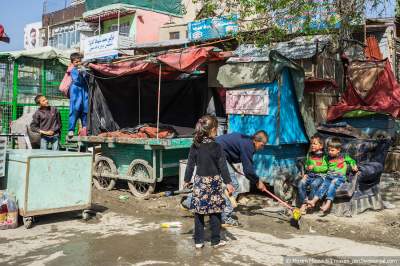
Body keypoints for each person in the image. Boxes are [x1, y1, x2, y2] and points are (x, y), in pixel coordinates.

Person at [182, 130, 268, 227]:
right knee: (232, 185)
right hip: (216, 154)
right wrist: (257, 181)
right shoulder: (248, 145)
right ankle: (224, 217)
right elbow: (248, 170)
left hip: (212, 152)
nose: (262, 148)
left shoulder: (246, 140)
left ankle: (188, 202)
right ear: (256, 141)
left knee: (212, 183)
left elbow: (230, 153)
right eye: (262, 145)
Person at [184, 115, 235, 249]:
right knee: (215, 212)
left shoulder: (195, 146)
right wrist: (228, 182)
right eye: (216, 128)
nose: (217, 131)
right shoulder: (217, 147)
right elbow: (223, 166)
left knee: (199, 213)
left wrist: (186, 180)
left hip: (200, 183)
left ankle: (199, 241)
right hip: (214, 183)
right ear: (212, 129)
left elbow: (190, 165)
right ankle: (215, 241)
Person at [307, 137, 358, 214]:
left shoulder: (343, 156)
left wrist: (354, 166)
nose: (330, 152)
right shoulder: (327, 158)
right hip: (328, 176)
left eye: (332, 150)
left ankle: (328, 203)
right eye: (329, 150)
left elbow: (352, 160)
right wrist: (314, 167)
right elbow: (324, 167)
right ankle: (313, 201)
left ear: (338, 150)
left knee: (333, 184)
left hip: (339, 177)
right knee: (323, 186)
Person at [298, 134, 328, 214]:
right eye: (311, 143)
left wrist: (314, 167)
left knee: (314, 184)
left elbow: (325, 168)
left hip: (320, 176)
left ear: (321, 146)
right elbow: (306, 165)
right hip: (310, 175)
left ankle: (310, 202)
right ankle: (304, 203)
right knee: (301, 183)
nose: (312, 145)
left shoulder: (324, 156)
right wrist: (306, 170)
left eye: (315, 143)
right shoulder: (309, 154)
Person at [68, 52, 88, 138]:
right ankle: (71, 129)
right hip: (76, 89)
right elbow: (77, 80)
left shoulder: (84, 68)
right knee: (75, 109)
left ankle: (85, 127)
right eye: (76, 62)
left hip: (84, 90)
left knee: (85, 108)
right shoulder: (73, 70)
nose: (78, 63)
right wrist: (81, 72)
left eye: (79, 61)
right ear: (72, 63)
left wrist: (84, 70)